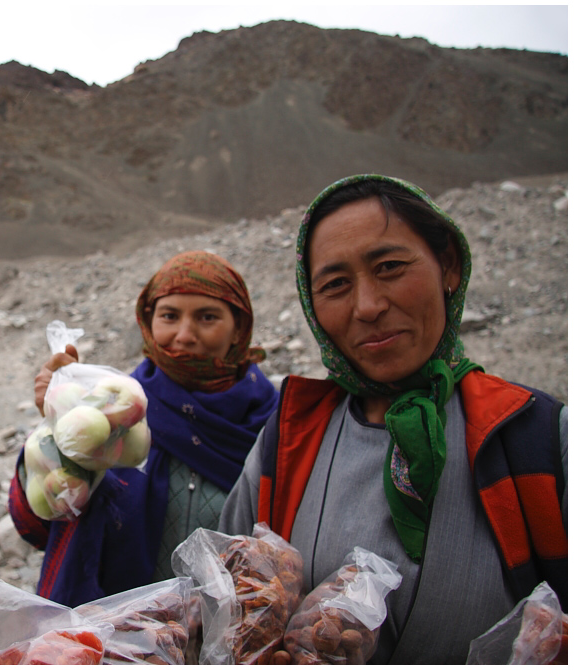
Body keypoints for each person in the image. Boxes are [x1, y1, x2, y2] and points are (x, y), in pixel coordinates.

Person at [219, 174, 567, 663]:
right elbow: (228, 606)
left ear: (447, 266)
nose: (368, 306)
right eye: (336, 285)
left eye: (390, 267)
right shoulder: (289, 440)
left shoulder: (535, 436)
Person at [8, 250, 279, 606]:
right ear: (148, 323)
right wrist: (57, 429)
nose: (184, 335)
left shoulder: (276, 427)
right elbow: (36, 524)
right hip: (112, 642)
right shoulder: (113, 410)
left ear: (239, 329)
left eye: (207, 317)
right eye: (169, 316)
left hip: (232, 644)